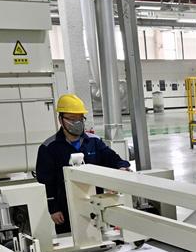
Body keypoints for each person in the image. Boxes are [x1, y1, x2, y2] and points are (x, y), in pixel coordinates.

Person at [36, 94, 130, 233]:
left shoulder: (94, 141)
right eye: (72, 119)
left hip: (96, 205)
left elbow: (113, 159)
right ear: (61, 120)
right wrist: (53, 208)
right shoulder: (49, 147)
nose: (77, 122)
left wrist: (122, 167)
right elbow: (47, 182)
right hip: (66, 210)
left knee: (99, 237)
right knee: (70, 241)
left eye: (80, 118)